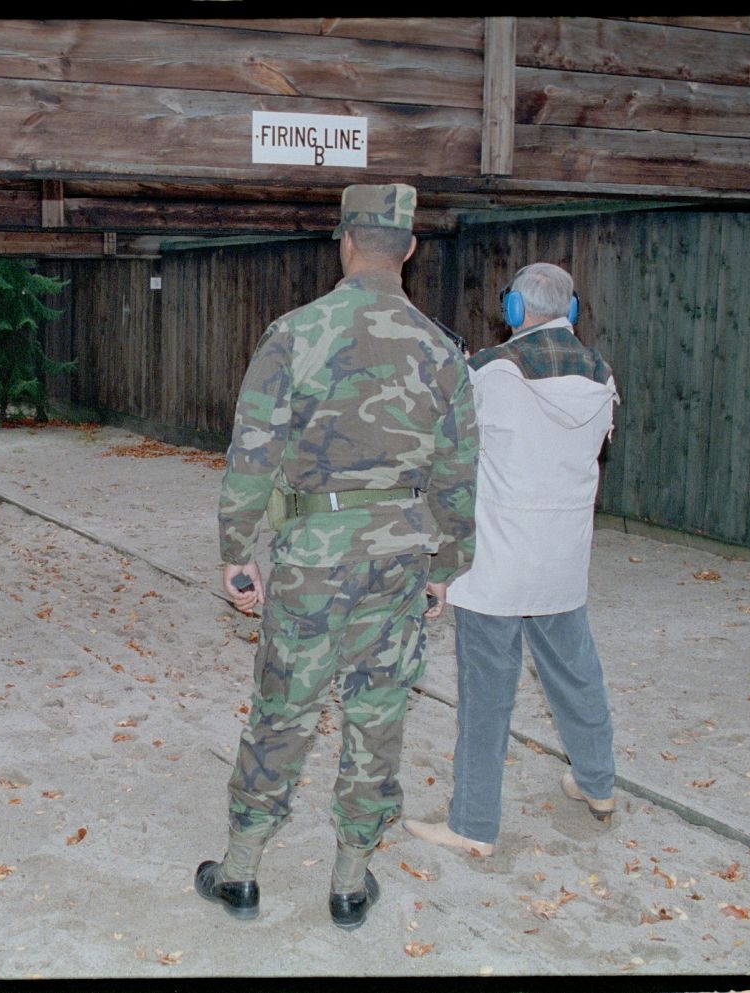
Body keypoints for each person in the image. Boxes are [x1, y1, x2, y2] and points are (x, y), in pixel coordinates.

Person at [195, 183, 478, 930]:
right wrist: (447, 566)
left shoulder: (295, 333)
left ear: (345, 240)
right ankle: (351, 882)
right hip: (398, 558)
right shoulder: (442, 349)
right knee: (378, 713)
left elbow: (252, 453)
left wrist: (237, 552)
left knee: (284, 710)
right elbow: (457, 473)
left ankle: (242, 873)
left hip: (313, 557)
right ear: (410, 249)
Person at [404, 262, 620, 858]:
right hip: (563, 561)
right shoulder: (602, 375)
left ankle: (473, 824)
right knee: (576, 675)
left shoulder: (489, 373)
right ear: (571, 312)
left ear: (515, 311)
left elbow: (452, 463)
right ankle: (598, 784)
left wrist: (441, 563)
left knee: (487, 695)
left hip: (495, 564)